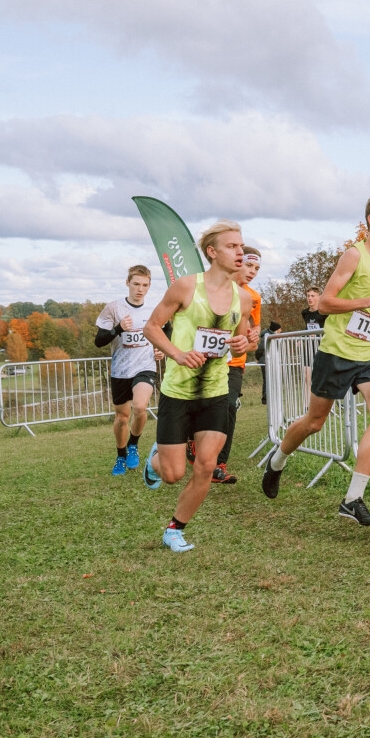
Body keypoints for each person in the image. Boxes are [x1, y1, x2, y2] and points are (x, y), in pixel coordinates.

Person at [262, 194, 370, 526]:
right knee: (315, 422)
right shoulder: (353, 256)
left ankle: (353, 499)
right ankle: (278, 459)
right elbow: (324, 304)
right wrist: (367, 300)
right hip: (337, 351)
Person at [140, 222, 254, 552]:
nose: (240, 252)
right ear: (212, 252)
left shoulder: (242, 299)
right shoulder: (186, 287)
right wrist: (177, 353)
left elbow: (242, 341)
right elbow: (152, 327)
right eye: (232, 246)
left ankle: (175, 529)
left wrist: (241, 346)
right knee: (174, 474)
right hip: (179, 391)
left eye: (241, 246)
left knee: (206, 465)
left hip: (216, 391)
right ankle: (156, 460)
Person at [94, 266, 159, 475]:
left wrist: (162, 349)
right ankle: (120, 456)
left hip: (145, 366)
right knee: (122, 417)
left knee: (140, 407)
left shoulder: (154, 308)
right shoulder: (114, 308)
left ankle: (133, 444)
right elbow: (99, 341)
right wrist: (118, 328)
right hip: (121, 370)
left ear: (149, 285)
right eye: (136, 284)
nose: (140, 289)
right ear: (127, 283)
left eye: (145, 285)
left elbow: (167, 331)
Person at [213, 246, 264, 484]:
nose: (253, 271)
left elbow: (253, 340)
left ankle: (219, 465)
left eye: (257, 268)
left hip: (235, 362)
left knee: (230, 407)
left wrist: (252, 338)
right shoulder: (216, 288)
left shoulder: (254, 298)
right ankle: (190, 441)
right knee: (203, 406)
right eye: (249, 265)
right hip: (210, 358)